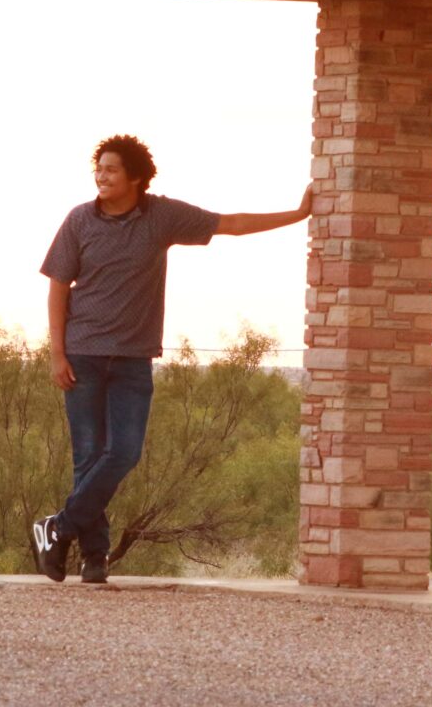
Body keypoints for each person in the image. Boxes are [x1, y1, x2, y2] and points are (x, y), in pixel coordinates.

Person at [32, 134, 309, 583]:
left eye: (111, 169)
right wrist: (57, 354)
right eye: (98, 169)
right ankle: (94, 557)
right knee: (87, 457)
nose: (101, 176)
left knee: (122, 453)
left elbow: (230, 223)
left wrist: (298, 214)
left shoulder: (160, 217)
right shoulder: (79, 220)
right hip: (82, 354)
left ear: (136, 177)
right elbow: (58, 288)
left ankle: (58, 529)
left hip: (132, 360)